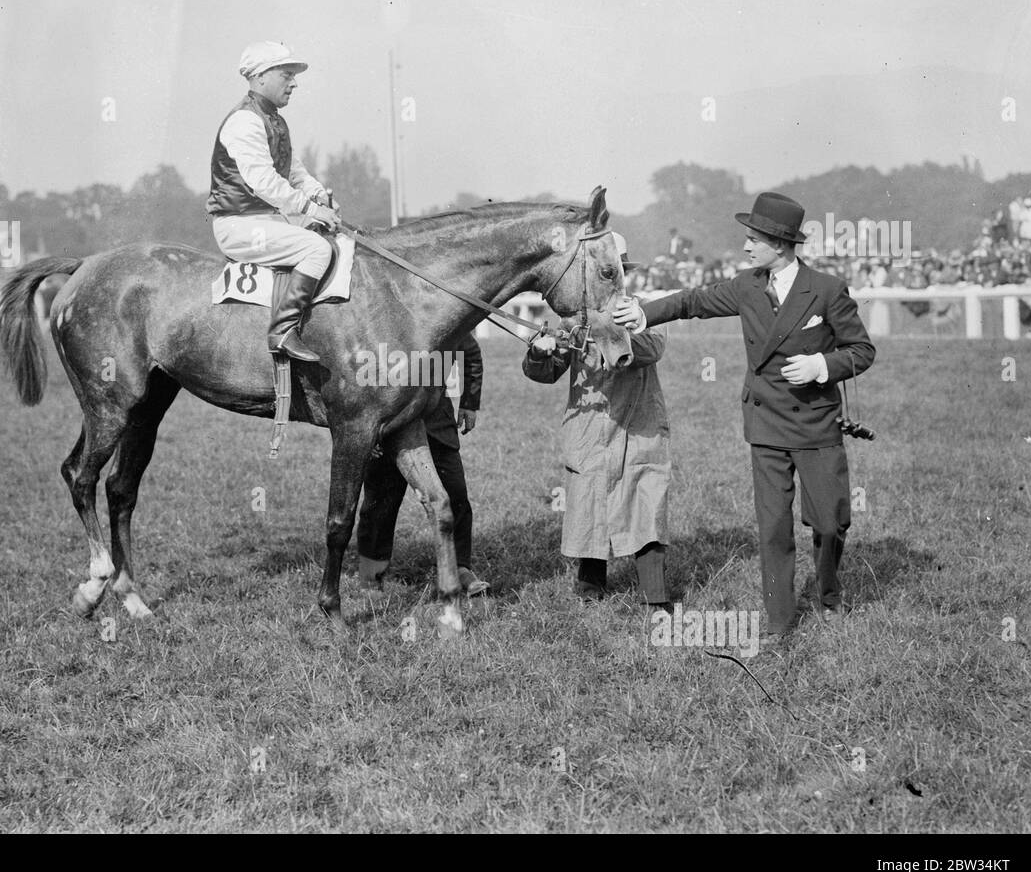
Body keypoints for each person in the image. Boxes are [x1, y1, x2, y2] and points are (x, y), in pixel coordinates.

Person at [615, 193, 875, 648]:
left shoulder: (828, 289)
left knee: (830, 523)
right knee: (773, 525)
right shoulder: (746, 285)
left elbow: (862, 350)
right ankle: (780, 620)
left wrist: (821, 366)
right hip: (766, 423)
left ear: (780, 244)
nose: (747, 247)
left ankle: (829, 595)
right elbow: (692, 301)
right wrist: (643, 312)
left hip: (816, 423)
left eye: (754, 239)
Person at [524, 234, 674, 608]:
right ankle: (590, 589)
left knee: (645, 501)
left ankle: (655, 596)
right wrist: (542, 352)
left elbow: (651, 348)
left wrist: (612, 329)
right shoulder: (571, 319)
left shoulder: (642, 313)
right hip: (588, 429)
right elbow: (543, 373)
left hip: (638, 426)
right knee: (588, 500)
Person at [206, 41, 341, 363]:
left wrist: (319, 195)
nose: (294, 83)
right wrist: (309, 208)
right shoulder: (245, 121)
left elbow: (295, 174)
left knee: (334, 241)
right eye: (287, 74)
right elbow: (263, 181)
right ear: (261, 76)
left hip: (269, 222)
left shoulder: (275, 120)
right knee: (316, 248)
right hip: (239, 226)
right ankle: (282, 330)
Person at [355, 333, 488, 596]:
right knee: (380, 503)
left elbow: (471, 353)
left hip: (437, 426)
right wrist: (369, 430)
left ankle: (460, 568)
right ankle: (371, 576)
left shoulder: (447, 317)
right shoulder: (381, 319)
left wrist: (470, 405)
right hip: (388, 427)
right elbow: (358, 370)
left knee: (455, 496)